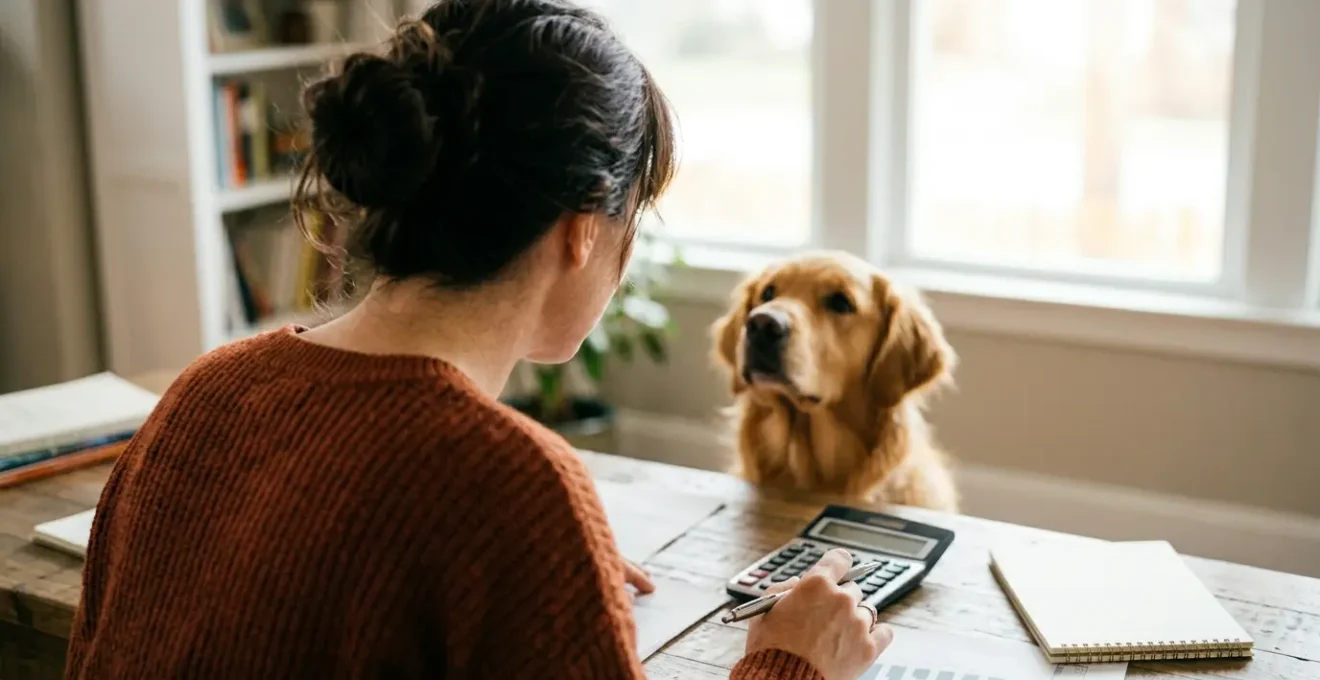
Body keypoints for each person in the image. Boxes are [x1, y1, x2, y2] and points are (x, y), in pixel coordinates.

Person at [65, 0, 892, 678]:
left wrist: (544, 586)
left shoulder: (205, 390)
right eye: (634, 217)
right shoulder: (513, 486)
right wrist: (790, 663)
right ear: (582, 228)